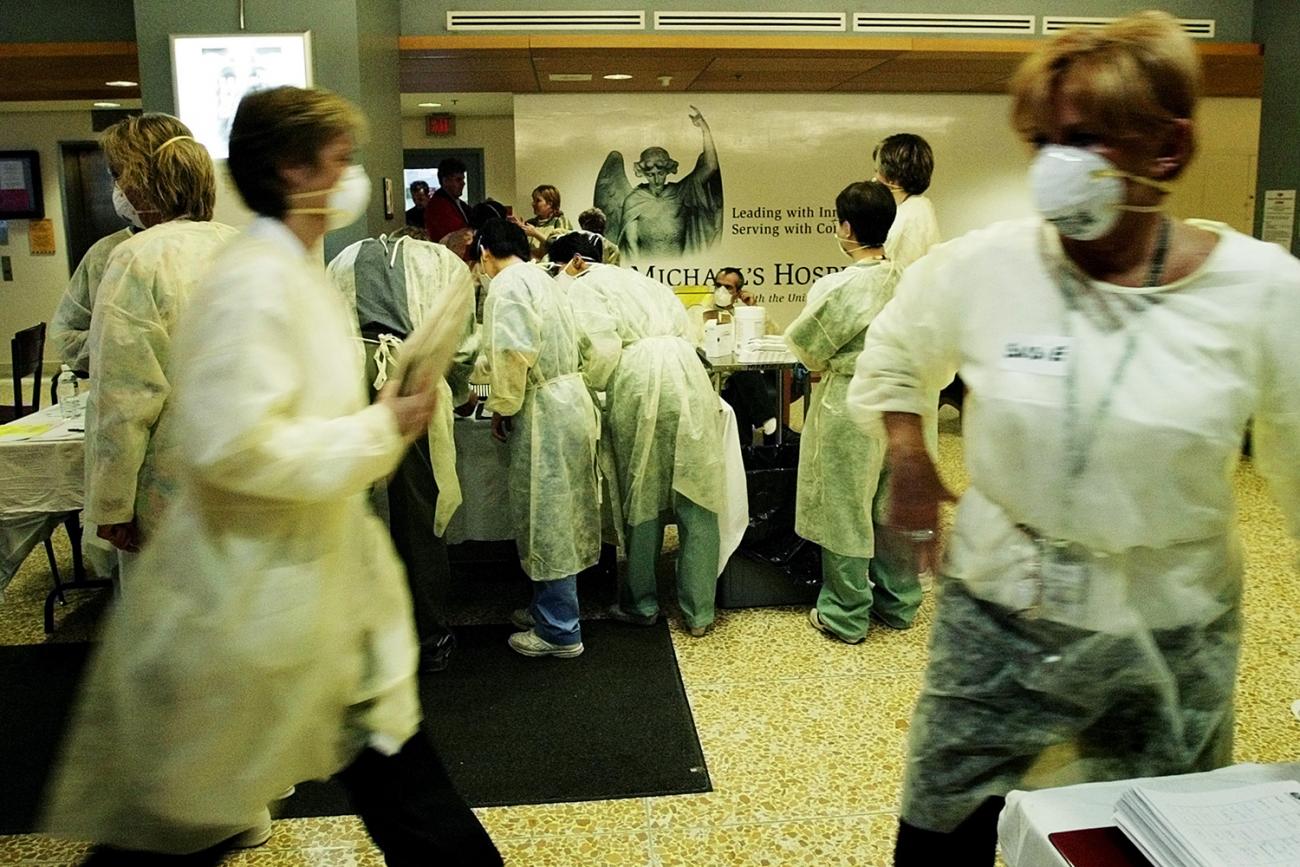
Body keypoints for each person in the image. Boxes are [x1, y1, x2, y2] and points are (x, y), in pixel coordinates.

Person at [845, 14, 1300, 865]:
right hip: (999, 607)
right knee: (942, 828)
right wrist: (909, 455)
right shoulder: (988, 265)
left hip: (1167, 628)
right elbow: (898, 347)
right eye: (1042, 140)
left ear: (1168, 148)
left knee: (1139, 839)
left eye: (1085, 139)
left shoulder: (1262, 293)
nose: (1056, 165)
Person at [44, 86, 501, 865]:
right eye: (340, 160)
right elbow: (237, 448)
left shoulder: (294, 272)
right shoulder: (251, 281)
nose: (354, 174)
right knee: (173, 830)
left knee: (404, 797)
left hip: (312, 593)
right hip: (252, 599)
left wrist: (387, 412)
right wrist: (376, 427)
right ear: (293, 170)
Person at [80, 113, 239, 569]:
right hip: (247, 478)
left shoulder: (137, 258)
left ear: (136, 184)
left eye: (116, 176)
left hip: (171, 489)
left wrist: (111, 504)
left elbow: (126, 396)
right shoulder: (245, 248)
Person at [547, 231, 724, 637]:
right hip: (686, 373)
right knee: (696, 491)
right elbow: (686, 331)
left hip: (640, 378)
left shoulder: (584, 287)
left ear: (572, 263)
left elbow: (602, 352)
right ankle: (700, 611)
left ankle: (641, 603)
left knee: (640, 489)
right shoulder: (643, 280)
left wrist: (587, 386)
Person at [327, 226, 479, 673]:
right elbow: (463, 343)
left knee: (355, 516)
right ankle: (429, 639)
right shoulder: (443, 263)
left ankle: (364, 640)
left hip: (349, 384)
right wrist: (458, 390)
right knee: (419, 514)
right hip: (412, 382)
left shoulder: (345, 257)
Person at [785, 180, 921, 645]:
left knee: (844, 506)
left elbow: (807, 350)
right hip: (904, 402)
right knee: (893, 505)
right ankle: (899, 603)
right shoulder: (910, 281)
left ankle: (845, 613)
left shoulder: (840, 287)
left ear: (845, 226)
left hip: (852, 405)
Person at [476, 218, 600, 658]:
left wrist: (501, 406)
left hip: (545, 409)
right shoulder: (542, 278)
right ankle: (549, 606)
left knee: (547, 516)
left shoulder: (507, 286)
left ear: (484, 250)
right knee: (561, 512)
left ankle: (560, 630)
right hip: (569, 398)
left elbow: (512, 353)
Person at [594, 106, 722, 259]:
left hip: (681, 268)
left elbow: (711, 166)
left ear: (668, 171)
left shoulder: (681, 192)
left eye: (660, 173)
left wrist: (705, 131)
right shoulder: (634, 200)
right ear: (643, 174)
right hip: (646, 270)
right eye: (650, 174)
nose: (656, 179)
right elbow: (631, 245)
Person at [687, 267, 780, 443]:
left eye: (728, 287)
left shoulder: (743, 315)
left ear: (738, 293)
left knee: (741, 378)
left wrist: (753, 310)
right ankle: (765, 416)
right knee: (742, 383)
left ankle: (744, 452)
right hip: (709, 377)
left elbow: (773, 335)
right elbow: (692, 346)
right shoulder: (698, 313)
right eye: (718, 285)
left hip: (735, 378)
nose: (721, 291)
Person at [872, 134, 942, 271]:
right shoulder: (921, 207)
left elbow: (887, 277)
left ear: (891, 177)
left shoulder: (905, 220)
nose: (874, 179)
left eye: (877, 171)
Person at [515, 183, 572, 259]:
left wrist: (535, 233)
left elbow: (562, 247)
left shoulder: (560, 221)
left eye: (538, 201)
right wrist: (518, 231)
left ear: (550, 204)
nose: (533, 204)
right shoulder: (531, 223)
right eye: (533, 200)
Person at [424, 156, 471, 242]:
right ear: (445, 181)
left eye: (463, 179)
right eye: (458, 180)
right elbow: (459, 234)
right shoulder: (438, 206)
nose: (463, 183)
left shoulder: (459, 203)